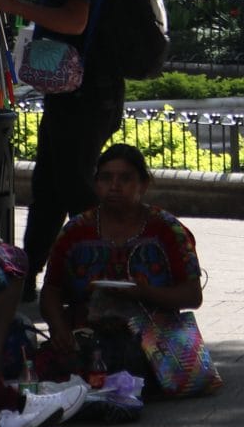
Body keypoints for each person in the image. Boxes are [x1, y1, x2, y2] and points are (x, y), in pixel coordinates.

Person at [0, 0, 122, 295]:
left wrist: (16, 5)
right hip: (80, 92)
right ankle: (27, 281)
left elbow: (74, 19)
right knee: (48, 187)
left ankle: (118, 266)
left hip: (84, 94)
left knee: (72, 187)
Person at [40, 144, 220, 399]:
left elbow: (192, 296)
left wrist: (146, 293)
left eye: (125, 178)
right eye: (106, 178)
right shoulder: (75, 231)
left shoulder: (168, 230)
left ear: (143, 184)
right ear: (95, 183)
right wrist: (59, 330)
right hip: (87, 333)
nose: (114, 186)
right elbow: (52, 290)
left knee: (129, 360)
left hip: (151, 338)